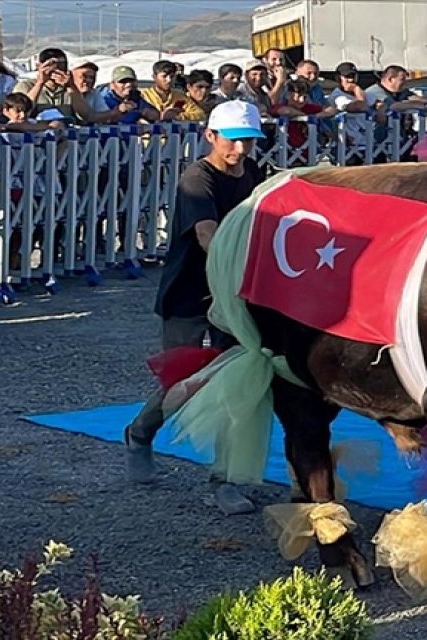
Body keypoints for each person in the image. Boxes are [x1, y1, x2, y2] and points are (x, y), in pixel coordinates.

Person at [124, 100, 267, 515]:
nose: (240, 150)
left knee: (237, 385)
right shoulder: (196, 179)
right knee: (182, 382)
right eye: (233, 141)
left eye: (248, 141)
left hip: (235, 293)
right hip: (190, 293)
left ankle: (224, 479)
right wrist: (235, 263)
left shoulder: (255, 174)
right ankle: (139, 433)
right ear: (211, 136)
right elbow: (208, 234)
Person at [12, 47, 89, 123]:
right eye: (52, 65)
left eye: (62, 65)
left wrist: (70, 86)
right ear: (40, 66)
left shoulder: (72, 89)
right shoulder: (25, 86)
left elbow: (85, 115)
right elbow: (21, 112)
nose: (57, 69)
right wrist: (40, 83)